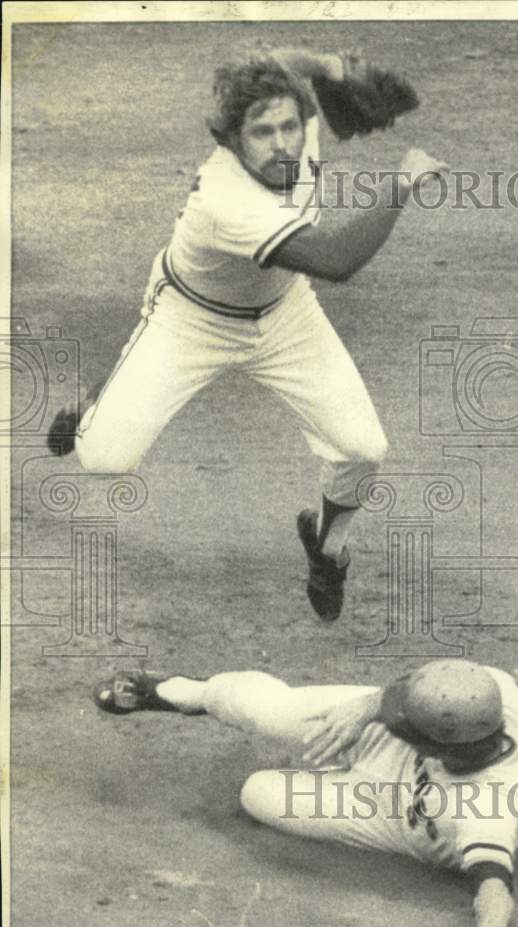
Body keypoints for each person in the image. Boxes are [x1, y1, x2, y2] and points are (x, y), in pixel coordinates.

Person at [47, 48, 448, 621]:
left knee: (363, 448)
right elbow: (337, 261)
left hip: (285, 313)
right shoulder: (225, 199)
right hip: (190, 319)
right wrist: (401, 183)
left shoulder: (298, 133)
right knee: (105, 459)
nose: (282, 142)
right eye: (262, 132)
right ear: (232, 140)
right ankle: (97, 399)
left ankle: (327, 550)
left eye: (290, 125)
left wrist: (332, 66)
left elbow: (272, 56)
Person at [94, 657, 518, 927]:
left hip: (389, 817)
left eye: (407, 726)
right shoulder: (489, 688)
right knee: (272, 710)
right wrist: (367, 709)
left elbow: (494, 885)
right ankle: (184, 692)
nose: (398, 722)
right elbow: (417, 684)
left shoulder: (489, 810)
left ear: (435, 746)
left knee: (257, 794)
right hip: (385, 755)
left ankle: (325, 772)